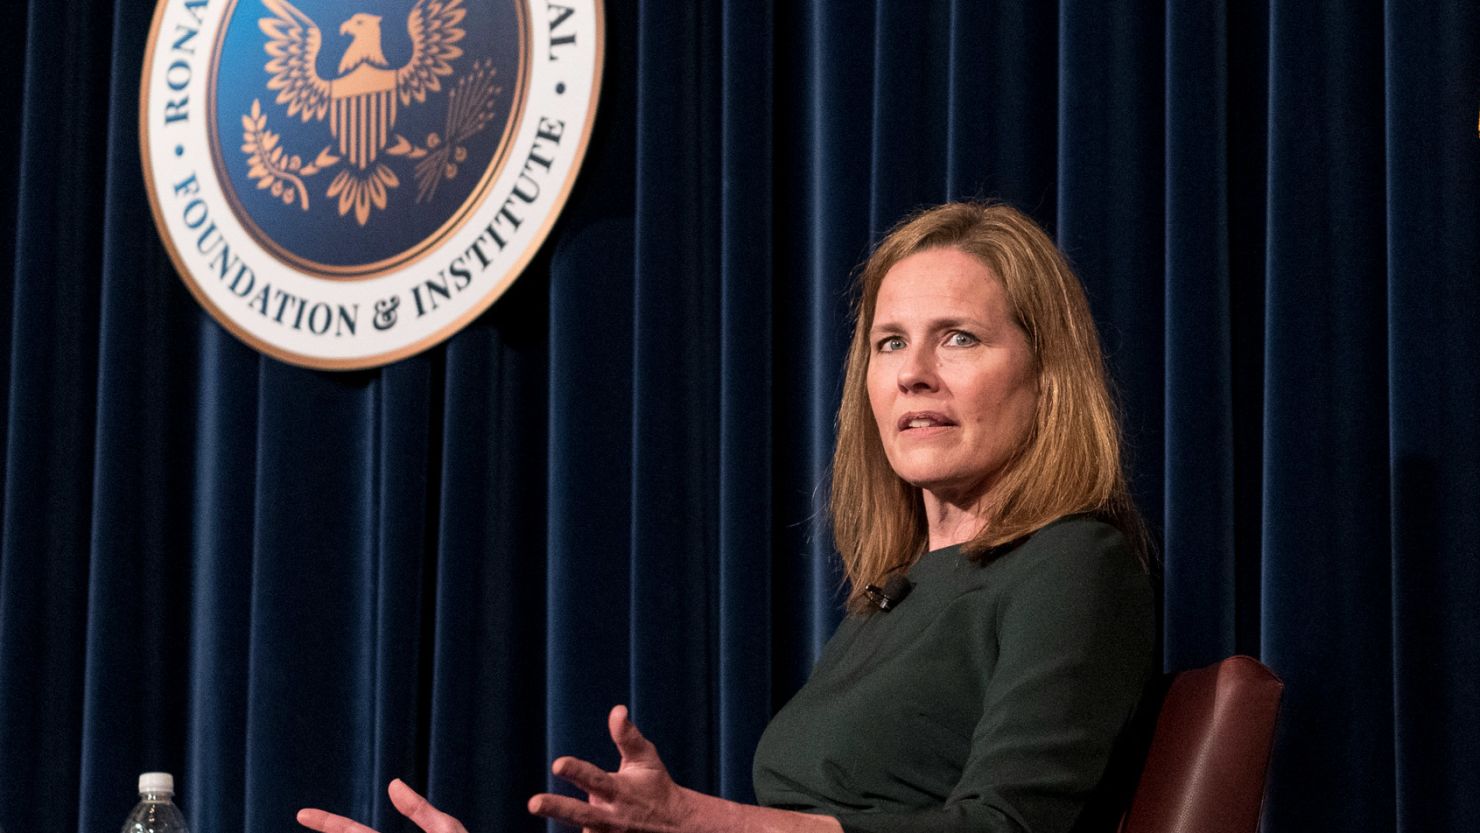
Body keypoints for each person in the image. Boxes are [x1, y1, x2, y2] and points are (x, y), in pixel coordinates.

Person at [296, 202, 1155, 833]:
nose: (913, 373)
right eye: (890, 342)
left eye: (958, 337)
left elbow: (1004, 828)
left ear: (1047, 374)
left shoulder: (1073, 562)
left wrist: (710, 822)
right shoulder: (894, 592)